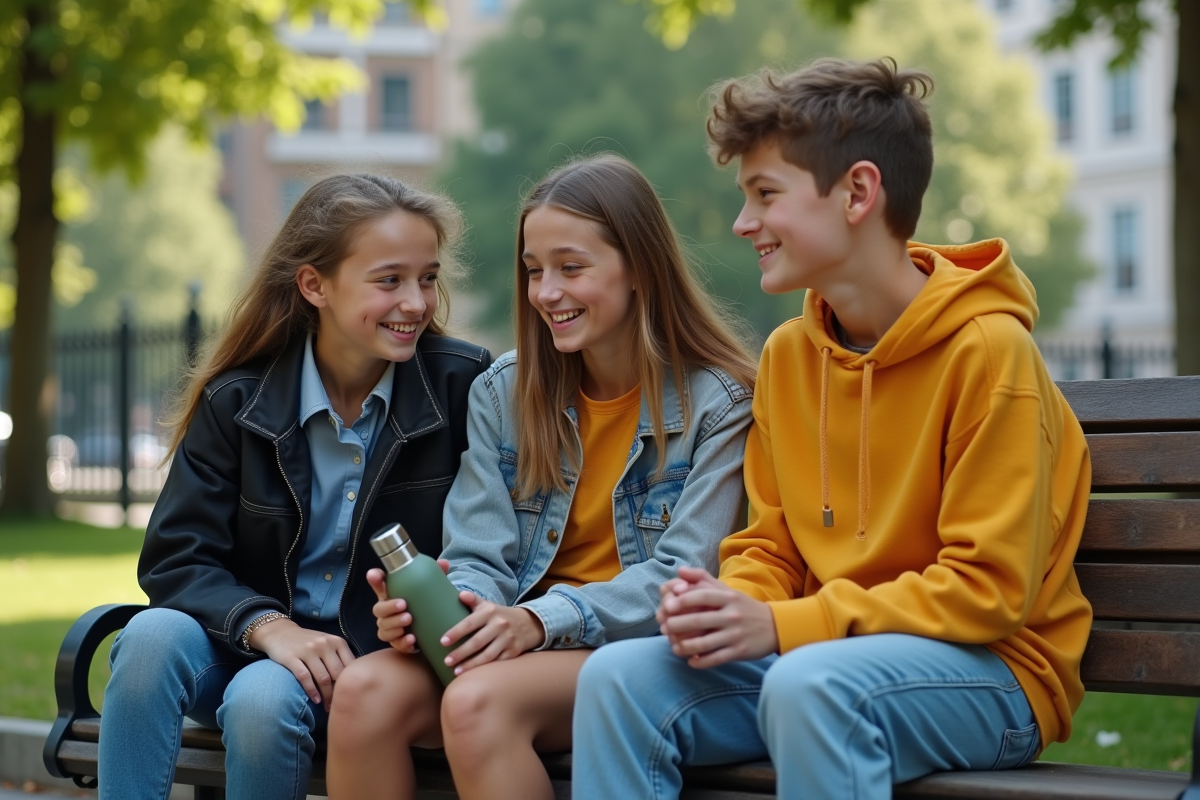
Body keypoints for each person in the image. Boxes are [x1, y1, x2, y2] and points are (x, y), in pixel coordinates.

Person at [572, 58, 1094, 800]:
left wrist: (785, 627)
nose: (742, 222)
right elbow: (769, 545)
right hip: (819, 655)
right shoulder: (789, 356)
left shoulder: (988, 352)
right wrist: (735, 607)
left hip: (993, 673)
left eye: (765, 195)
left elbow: (988, 593)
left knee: (810, 687)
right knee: (619, 680)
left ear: (857, 192)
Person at [325, 154, 758, 800]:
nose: (546, 293)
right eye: (533, 272)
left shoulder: (720, 404)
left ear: (638, 267)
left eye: (571, 268)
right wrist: (453, 613)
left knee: (476, 703)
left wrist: (540, 622)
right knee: (363, 691)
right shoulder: (505, 391)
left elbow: (681, 576)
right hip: (519, 637)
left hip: (635, 650)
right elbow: (477, 554)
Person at [96, 174, 492, 800]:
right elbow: (176, 559)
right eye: (389, 280)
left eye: (427, 278)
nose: (416, 302)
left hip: (364, 663)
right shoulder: (238, 402)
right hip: (240, 638)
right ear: (315, 285)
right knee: (148, 637)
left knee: (263, 697)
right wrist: (267, 627)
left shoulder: (465, 387)